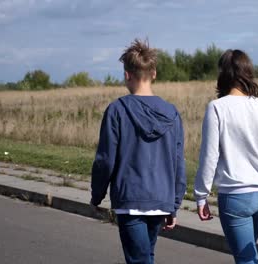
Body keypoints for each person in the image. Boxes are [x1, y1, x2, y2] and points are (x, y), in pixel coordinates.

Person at [90, 39, 186, 264]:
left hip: (130, 200)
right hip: (160, 198)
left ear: (127, 75)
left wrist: (97, 194)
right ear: (153, 73)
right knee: (146, 257)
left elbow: (105, 160)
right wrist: (174, 204)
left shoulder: (117, 110)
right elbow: (177, 162)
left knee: (139, 260)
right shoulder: (172, 113)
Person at [194, 49, 258, 264]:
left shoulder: (217, 108)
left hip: (236, 197)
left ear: (223, 74)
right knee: (248, 254)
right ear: (248, 72)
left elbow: (209, 156)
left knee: (246, 259)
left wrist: (201, 196)